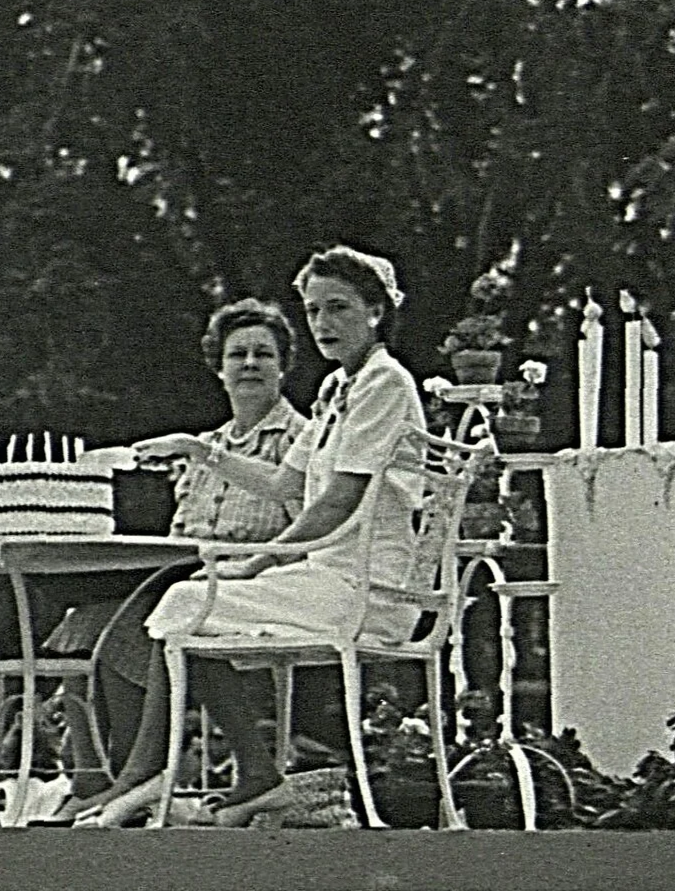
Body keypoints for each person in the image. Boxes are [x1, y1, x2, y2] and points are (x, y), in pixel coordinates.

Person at [74, 245, 425, 827]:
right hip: (328, 577)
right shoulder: (340, 388)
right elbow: (284, 480)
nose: (323, 324)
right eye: (313, 311)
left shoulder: (384, 383)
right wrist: (197, 449)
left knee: (191, 600)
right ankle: (239, 771)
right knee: (189, 606)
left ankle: (159, 772)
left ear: (376, 311)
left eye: (338, 308)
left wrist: (259, 563)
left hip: (368, 586)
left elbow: (341, 500)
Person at [53, 298, 307, 813]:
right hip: (188, 576)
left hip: (257, 580)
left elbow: (306, 529)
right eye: (238, 355)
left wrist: (256, 563)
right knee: (84, 626)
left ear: (284, 366)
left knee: (150, 622)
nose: (251, 364)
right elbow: (181, 531)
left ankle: (139, 777)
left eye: (264, 354)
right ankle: (98, 778)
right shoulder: (203, 445)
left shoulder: (299, 442)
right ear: (219, 368)